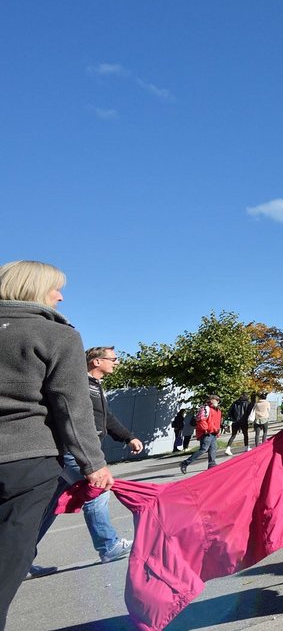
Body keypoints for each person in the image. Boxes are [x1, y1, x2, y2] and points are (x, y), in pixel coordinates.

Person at [0, 261, 113, 629]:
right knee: (8, 559)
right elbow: (70, 406)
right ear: (33, 289)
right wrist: (92, 464)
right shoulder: (56, 335)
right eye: (55, 288)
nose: (61, 296)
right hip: (26, 461)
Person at [29, 346, 143, 577]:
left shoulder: (94, 386)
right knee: (97, 489)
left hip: (81, 449)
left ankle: (17, 560)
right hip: (74, 449)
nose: (117, 362)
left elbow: (106, 418)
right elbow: (68, 415)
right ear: (96, 361)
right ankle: (108, 545)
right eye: (113, 359)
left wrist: (128, 437)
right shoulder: (76, 382)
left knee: (50, 506)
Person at [180, 395, 222, 474]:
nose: (217, 401)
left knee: (213, 448)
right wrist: (206, 429)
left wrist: (217, 430)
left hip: (213, 432)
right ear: (211, 400)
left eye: (218, 400)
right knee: (203, 449)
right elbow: (201, 420)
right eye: (216, 400)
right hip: (207, 432)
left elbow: (217, 421)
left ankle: (212, 464)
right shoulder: (205, 408)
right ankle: (185, 463)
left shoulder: (217, 410)